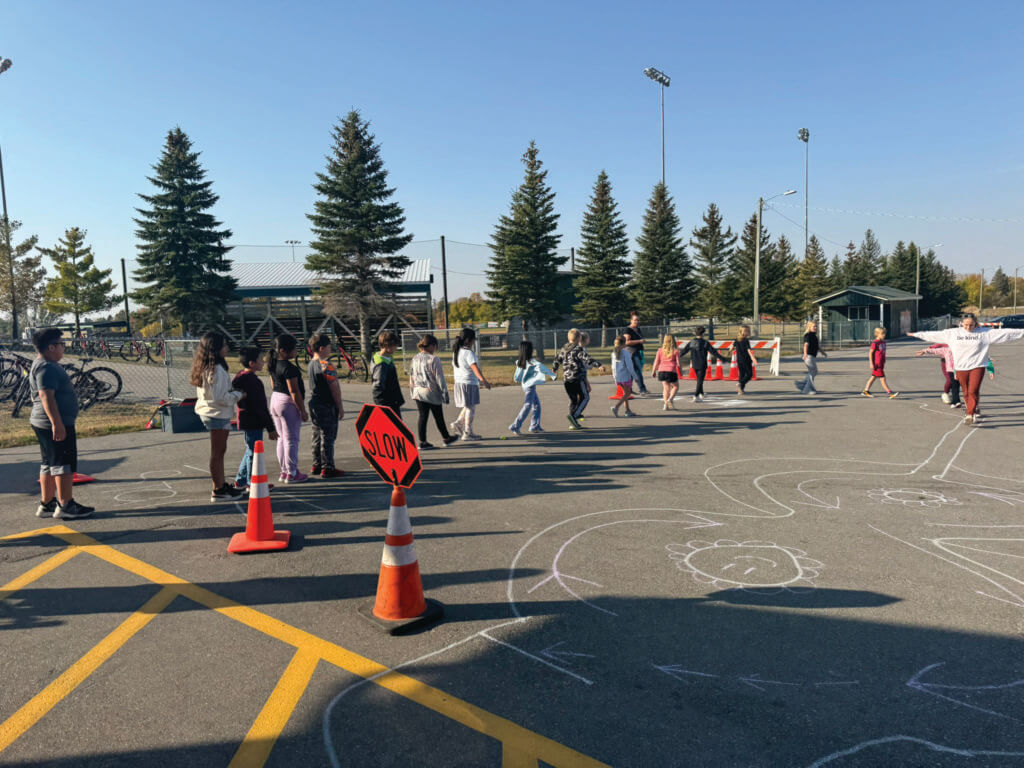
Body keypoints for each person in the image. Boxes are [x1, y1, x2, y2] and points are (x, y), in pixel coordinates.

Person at [910, 314, 1024, 425]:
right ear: (961, 324)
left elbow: (1006, 333)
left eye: (971, 325)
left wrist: (1022, 332)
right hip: (960, 367)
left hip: (977, 366)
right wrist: (916, 334)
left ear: (976, 324)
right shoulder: (954, 333)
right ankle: (974, 408)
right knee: (965, 391)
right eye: (965, 325)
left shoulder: (985, 333)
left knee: (972, 390)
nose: (968, 328)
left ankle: (969, 414)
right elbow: (935, 335)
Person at [28, 328, 94, 519]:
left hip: (44, 422)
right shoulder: (46, 367)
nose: (63, 348)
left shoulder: (43, 364)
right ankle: (65, 505)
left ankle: (47, 504)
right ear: (51, 347)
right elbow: (46, 396)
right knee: (63, 464)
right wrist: (57, 423)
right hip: (53, 424)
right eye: (61, 344)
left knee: (49, 463)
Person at [191, 331, 246, 502]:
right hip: (215, 413)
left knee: (219, 451)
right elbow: (220, 397)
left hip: (213, 411)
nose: (227, 348)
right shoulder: (215, 370)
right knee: (217, 452)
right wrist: (239, 395)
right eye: (224, 345)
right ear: (215, 348)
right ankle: (218, 489)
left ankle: (220, 485)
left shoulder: (210, 366)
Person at [232, 346, 278, 490]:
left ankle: (240, 480)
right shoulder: (253, 382)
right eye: (260, 360)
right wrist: (270, 428)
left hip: (246, 418)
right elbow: (261, 407)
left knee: (250, 449)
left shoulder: (239, 377)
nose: (263, 362)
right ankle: (253, 482)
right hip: (253, 420)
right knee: (253, 452)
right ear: (252, 363)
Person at [269, 333, 308, 483]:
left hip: (275, 398)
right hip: (287, 402)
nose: (296, 352)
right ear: (284, 351)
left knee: (281, 438)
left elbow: (273, 383)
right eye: (294, 349)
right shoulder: (290, 368)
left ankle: (284, 471)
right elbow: (294, 391)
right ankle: (292, 472)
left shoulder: (273, 363)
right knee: (291, 439)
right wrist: (302, 410)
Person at [409, 333, 458, 448]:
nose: (435, 349)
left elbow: (411, 376)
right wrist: (444, 393)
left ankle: (422, 441)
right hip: (431, 391)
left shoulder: (415, 358)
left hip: (418, 391)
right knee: (438, 416)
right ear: (431, 346)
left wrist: (412, 390)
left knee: (422, 416)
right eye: (435, 346)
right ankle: (446, 438)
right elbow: (439, 378)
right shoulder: (434, 359)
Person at [552, 328, 605, 429]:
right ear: (579, 338)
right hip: (577, 378)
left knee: (574, 400)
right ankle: (574, 416)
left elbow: (557, 360)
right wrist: (599, 365)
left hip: (567, 380)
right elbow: (587, 359)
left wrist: (554, 369)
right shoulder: (577, 350)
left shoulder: (564, 349)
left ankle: (573, 423)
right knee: (585, 397)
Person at [308, 333, 345, 478]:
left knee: (316, 434)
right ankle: (327, 466)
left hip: (315, 402)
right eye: (329, 347)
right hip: (327, 404)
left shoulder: (311, 364)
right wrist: (340, 407)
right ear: (322, 348)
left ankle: (316, 463)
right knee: (328, 435)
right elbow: (334, 388)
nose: (331, 350)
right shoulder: (327, 365)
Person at [450, 327, 492, 440]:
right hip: (468, 383)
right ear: (469, 340)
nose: (474, 343)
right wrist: (483, 381)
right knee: (470, 408)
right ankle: (468, 432)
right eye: (473, 340)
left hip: (459, 383)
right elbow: (475, 368)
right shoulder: (468, 353)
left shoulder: (456, 352)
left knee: (467, 406)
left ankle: (459, 423)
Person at [509, 339, 555, 435]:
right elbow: (543, 368)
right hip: (529, 387)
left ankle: (534, 426)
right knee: (528, 405)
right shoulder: (532, 362)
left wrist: (517, 379)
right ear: (529, 351)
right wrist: (553, 375)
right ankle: (515, 425)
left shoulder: (520, 362)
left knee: (536, 405)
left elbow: (516, 376)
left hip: (525, 386)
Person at [679, 326, 725, 402]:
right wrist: (722, 358)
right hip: (702, 363)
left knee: (699, 379)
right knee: (700, 380)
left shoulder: (691, 342)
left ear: (695, 333)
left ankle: (701, 393)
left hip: (694, 364)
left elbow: (684, 351)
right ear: (703, 334)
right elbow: (713, 352)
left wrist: (675, 356)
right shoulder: (705, 343)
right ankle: (696, 395)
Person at [914, 343, 960, 408]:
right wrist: (925, 351)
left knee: (957, 382)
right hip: (947, 363)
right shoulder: (945, 341)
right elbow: (934, 347)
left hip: (959, 363)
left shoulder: (959, 340)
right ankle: (946, 394)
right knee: (950, 380)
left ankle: (956, 399)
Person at [372, 330, 405, 416]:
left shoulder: (387, 358)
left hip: (393, 401)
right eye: (395, 346)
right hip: (387, 403)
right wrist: (382, 406)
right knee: (396, 428)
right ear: (387, 345)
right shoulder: (381, 364)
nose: (396, 348)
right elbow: (377, 387)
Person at [861, 327, 899, 398]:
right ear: (877, 334)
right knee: (882, 379)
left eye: (884, 333)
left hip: (881, 363)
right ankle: (889, 393)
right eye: (882, 334)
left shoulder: (883, 342)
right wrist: (871, 363)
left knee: (873, 377)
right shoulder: (875, 343)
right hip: (877, 364)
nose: (884, 335)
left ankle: (865, 391)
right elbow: (870, 353)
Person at [650, 334, 684, 410]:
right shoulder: (676, 351)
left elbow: (656, 361)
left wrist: (654, 371)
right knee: (675, 386)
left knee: (666, 388)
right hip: (671, 371)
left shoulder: (660, 350)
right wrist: (681, 372)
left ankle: (666, 405)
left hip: (661, 370)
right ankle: (670, 399)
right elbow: (679, 363)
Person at [610, 335, 638, 418]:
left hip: (618, 377)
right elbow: (630, 366)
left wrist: (615, 377)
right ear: (624, 343)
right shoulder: (626, 353)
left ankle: (628, 410)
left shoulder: (613, 353)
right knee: (628, 393)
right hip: (625, 376)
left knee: (625, 393)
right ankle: (616, 407)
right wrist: (635, 376)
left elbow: (613, 367)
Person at [623, 311, 648, 395]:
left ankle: (629, 389)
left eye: (638, 320)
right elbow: (626, 342)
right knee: (637, 371)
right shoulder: (628, 329)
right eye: (635, 320)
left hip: (638, 351)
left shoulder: (638, 329)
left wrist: (642, 342)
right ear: (631, 320)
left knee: (634, 371)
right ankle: (642, 389)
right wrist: (639, 341)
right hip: (631, 352)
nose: (637, 322)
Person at [799, 321, 827, 395]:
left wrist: (822, 352)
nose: (815, 328)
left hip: (812, 356)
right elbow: (805, 345)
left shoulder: (814, 336)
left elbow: (817, 346)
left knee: (812, 372)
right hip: (808, 356)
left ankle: (803, 385)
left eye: (816, 326)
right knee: (813, 372)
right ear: (809, 327)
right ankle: (806, 389)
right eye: (813, 326)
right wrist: (805, 354)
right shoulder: (808, 335)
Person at [576, 332, 595, 422]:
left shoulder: (581, 349)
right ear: (585, 339)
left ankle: (577, 410)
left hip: (582, 374)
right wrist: (592, 365)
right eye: (588, 338)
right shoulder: (581, 350)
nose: (589, 340)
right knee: (585, 394)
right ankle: (576, 412)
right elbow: (585, 363)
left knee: (584, 392)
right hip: (580, 375)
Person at [733, 325, 757, 395]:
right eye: (748, 331)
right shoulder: (746, 340)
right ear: (743, 332)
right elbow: (749, 350)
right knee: (749, 374)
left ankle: (740, 390)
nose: (749, 332)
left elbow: (732, 347)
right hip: (746, 359)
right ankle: (740, 384)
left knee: (742, 375)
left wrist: (729, 351)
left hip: (739, 360)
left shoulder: (736, 339)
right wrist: (753, 358)